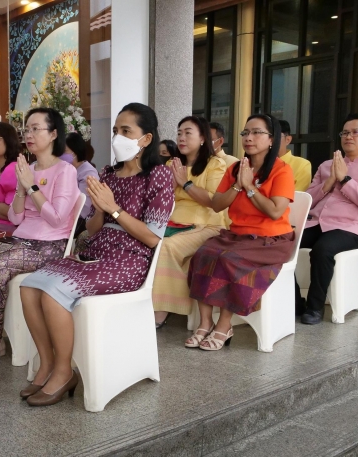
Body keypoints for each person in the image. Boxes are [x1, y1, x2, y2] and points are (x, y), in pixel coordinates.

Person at [18, 103, 174, 406]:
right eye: (116, 130)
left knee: (52, 291)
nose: (118, 136)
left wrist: (114, 207)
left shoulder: (159, 177)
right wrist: (100, 208)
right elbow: (91, 226)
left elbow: (153, 238)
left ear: (146, 139)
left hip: (130, 260)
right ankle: (48, 363)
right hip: (97, 250)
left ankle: (64, 372)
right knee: (29, 286)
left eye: (126, 131)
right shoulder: (107, 173)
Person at [0, 107, 80, 364]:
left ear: (53, 134)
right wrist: (23, 189)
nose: (29, 134)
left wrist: (31, 185)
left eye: (36, 129)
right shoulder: (29, 168)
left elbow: (57, 218)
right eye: (27, 129)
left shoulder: (65, 171)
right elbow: (15, 218)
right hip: (22, 238)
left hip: (50, 245)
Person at [187, 114, 295, 351]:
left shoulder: (281, 171)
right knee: (204, 253)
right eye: (246, 133)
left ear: (271, 139)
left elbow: (276, 212)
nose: (249, 138)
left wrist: (249, 187)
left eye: (257, 132)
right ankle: (205, 323)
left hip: (271, 240)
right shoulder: (236, 168)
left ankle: (225, 326)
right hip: (238, 236)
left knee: (228, 259)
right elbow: (217, 204)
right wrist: (238, 184)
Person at [296, 113, 358, 325]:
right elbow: (308, 201)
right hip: (317, 222)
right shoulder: (326, 166)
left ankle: (315, 308)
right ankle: (296, 302)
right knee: (281, 240)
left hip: (348, 229)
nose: (349, 136)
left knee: (323, 250)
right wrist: (330, 180)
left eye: (356, 132)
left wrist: (345, 179)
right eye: (345, 133)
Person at [152, 116, 227, 328]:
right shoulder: (172, 163)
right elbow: (163, 198)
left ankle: (160, 311)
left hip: (207, 225)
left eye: (187, 133)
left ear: (203, 138)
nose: (181, 138)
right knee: (143, 240)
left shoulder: (215, 164)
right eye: (179, 133)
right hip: (173, 223)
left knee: (166, 246)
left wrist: (185, 183)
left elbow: (214, 201)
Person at [64, 131, 99, 236]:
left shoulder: (88, 173)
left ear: (74, 152)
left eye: (64, 151)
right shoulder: (67, 169)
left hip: (80, 220)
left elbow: (84, 207)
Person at [278, 120, 312, 192]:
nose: (270, 140)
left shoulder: (302, 164)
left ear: (287, 140)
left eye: (274, 136)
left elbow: (296, 198)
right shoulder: (257, 163)